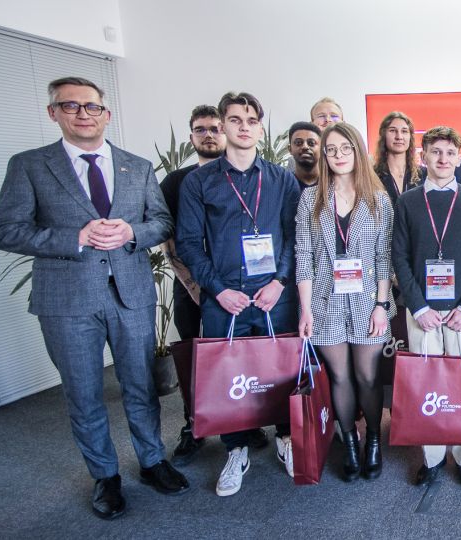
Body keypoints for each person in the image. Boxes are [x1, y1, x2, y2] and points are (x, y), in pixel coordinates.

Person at [0, 76, 188, 520]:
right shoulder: (30, 166)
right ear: (53, 113)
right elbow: (4, 230)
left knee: (141, 386)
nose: (83, 114)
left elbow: (161, 222)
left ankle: (153, 462)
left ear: (106, 114)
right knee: (84, 393)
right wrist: (73, 237)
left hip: (131, 294)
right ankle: (106, 477)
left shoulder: (135, 167)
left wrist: (132, 231)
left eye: (92, 107)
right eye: (71, 106)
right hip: (67, 300)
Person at [175, 92, 301, 496]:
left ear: (261, 129)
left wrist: (280, 280)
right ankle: (236, 448)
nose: (243, 126)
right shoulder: (198, 182)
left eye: (251, 120)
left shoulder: (282, 179)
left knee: (280, 369)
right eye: (235, 119)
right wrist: (217, 289)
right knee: (232, 375)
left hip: (274, 295)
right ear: (223, 126)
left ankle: (285, 437)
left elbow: (294, 237)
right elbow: (190, 243)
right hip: (224, 297)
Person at [392, 126, 461, 488]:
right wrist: (418, 307)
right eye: (435, 152)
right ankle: (432, 457)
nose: (443, 159)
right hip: (423, 313)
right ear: (423, 157)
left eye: (450, 153)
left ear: (459, 158)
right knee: (427, 385)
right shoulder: (408, 201)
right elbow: (399, 258)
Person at [295, 122, 396, 483]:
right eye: (331, 150)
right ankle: (349, 441)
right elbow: (303, 255)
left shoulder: (378, 198)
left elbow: (384, 257)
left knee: (367, 377)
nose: (338, 156)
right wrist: (305, 309)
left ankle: (372, 439)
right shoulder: (311, 197)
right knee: (339, 376)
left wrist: (382, 306)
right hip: (325, 302)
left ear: (357, 150)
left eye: (345, 148)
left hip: (369, 300)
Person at [158, 104, 227, 465]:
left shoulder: (238, 176)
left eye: (215, 128)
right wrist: (195, 287)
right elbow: (170, 240)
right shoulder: (176, 182)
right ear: (191, 137)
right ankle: (193, 425)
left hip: (234, 289)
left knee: (237, 357)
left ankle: (240, 424)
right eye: (201, 129)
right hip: (193, 291)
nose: (209, 135)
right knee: (193, 357)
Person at [373, 111, 423, 208]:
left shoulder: (424, 174)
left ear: (410, 137)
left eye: (404, 131)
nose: (399, 137)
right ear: (383, 135)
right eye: (392, 130)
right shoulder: (372, 175)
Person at [287, 121, 322, 190]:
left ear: (321, 148)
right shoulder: (283, 185)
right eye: (298, 142)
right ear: (290, 149)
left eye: (311, 143)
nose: (305, 147)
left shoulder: (333, 183)